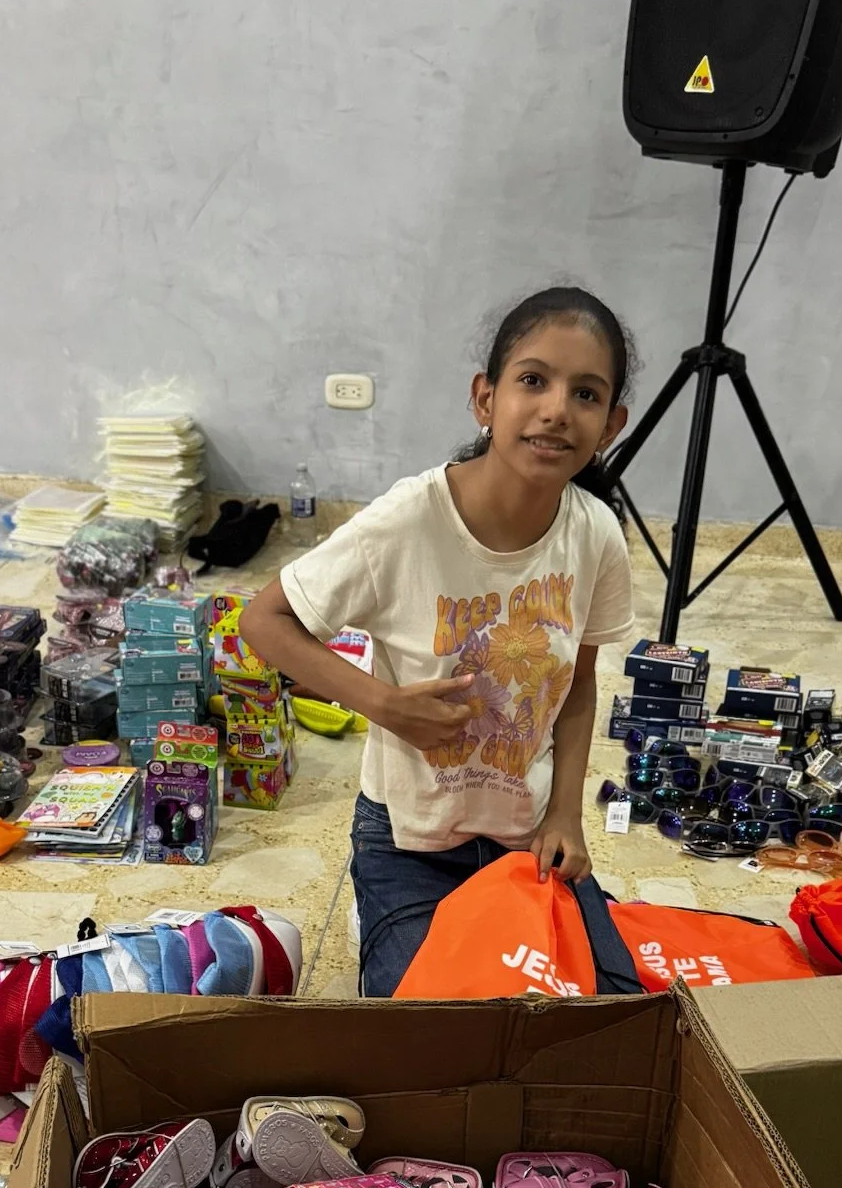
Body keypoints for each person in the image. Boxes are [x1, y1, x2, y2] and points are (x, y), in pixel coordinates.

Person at [240, 286, 636, 996]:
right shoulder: (408, 522)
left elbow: (578, 686)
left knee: (610, 1015)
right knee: (429, 1032)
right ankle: (384, 916)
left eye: (585, 394)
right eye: (533, 381)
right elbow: (263, 621)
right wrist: (386, 705)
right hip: (409, 840)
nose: (556, 409)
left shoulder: (595, 534)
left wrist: (566, 817)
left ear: (611, 424)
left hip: (527, 834)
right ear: (485, 398)